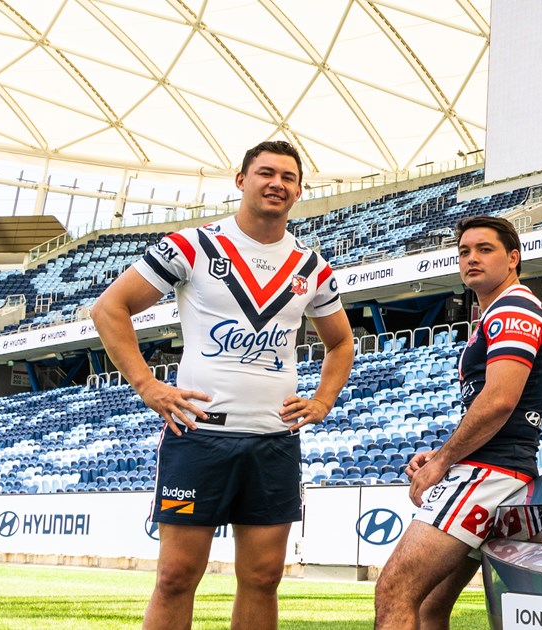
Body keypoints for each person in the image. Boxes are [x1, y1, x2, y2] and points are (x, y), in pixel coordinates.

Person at [93, 140, 353, 630]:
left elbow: (341, 344)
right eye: (265, 172)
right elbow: (110, 308)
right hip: (200, 437)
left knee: (263, 576)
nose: (277, 183)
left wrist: (323, 400)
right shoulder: (190, 245)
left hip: (273, 442)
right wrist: (147, 385)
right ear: (241, 180)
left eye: (289, 177)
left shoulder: (311, 265)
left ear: (299, 191)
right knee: (175, 575)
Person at [374, 216, 542, 630]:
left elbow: (498, 401)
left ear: (513, 258)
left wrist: (441, 463)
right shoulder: (501, 311)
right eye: (464, 252)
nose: (471, 258)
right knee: (426, 607)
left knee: (394, 591)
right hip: (495, 469)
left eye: (484, 249)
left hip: (490, 472)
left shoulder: (515, 308)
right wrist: (442, 454)